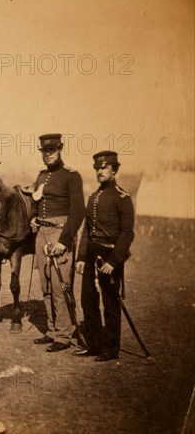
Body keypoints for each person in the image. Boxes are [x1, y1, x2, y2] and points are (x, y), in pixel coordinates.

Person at [74, 151, 135, 361]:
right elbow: (86, 230)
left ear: (114, 170)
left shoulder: (122, 197)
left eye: (104, 168)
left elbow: (127, 233)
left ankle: (110, 349)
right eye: (97, 168)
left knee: (110, 303)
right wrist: (81, 257)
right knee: (87, 300)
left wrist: (113, 261)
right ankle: (94, 345)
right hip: (92, 253)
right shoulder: (92, 197)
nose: (100, 171)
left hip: (110, 254)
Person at [30, 133, 85, 352]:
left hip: (60, 232)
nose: (47, 155)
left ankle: (64, 335)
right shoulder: (42, 176)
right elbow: (37, 202)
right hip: (42, 232)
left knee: (60, 284)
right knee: (45, 284)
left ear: (60, 149)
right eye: (44, 151)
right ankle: (52, 330)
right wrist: (33, 219)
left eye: (51, 151)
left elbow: (78, 211)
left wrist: (64, 241)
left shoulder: (71, 176)